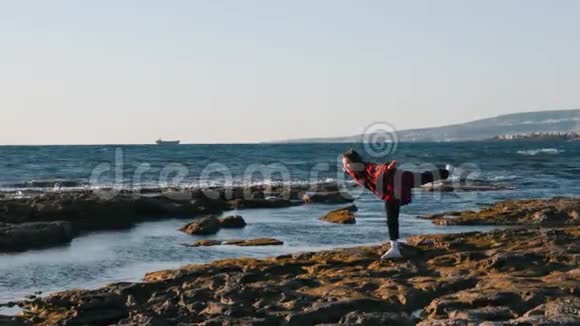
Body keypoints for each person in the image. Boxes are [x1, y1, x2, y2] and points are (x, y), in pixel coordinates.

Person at [342, 149, 451, 259]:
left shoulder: (365, 167)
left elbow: (376, 169)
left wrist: (387, 167)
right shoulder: (351, 170)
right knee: (422, 178)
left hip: (394, 185)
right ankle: (445, 173)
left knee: (391, 217)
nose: (345, 166)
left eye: (347, 164)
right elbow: (348, 170)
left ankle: (394, 248)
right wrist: (346, 167)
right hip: (398, 178)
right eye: (344, 164)